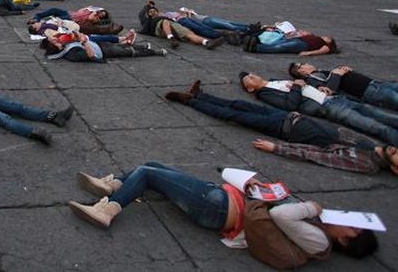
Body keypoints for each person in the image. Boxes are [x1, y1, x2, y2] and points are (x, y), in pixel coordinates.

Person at [68, 161, 379, 268]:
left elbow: (283, 218)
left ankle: (109, 209)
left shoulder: (319, 242)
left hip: (219, 208)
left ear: (350, 237)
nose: (342, 219)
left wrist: (314, 208)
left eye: (349, 224)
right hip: (225, 202)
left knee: (149, 173)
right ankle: (115, 185)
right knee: (152, 164)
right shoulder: (318, 235)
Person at [166, 80, 376, 149]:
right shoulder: (368, 145)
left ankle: (191, 101)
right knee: (237, 104)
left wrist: (279, 149)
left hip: (284, 128)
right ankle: (200, 95)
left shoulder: (360, 156)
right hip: (291, 117)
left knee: (232, 115)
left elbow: (316, 155)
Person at [241, 73, 398, 147]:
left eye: (250, 74)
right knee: (375, 126)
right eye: (248, 79)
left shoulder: (275, 80)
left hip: (336, 98)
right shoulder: (265, 94)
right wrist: (296, 85)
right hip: (328, 107)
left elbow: (307, 84)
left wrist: (319, 86)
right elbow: (290, 105)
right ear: (250, 89)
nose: (252, 75)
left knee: (383, 116)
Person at [253, 139, 398, 176]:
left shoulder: (368, 164)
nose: (396, 150)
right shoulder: (373, 149)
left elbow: (320, 155)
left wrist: (276, 148)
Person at [290, 62, 398, 112]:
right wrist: (336, 74)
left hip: (374, 84)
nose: (307, 63)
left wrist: (344, 70)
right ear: (301, 70)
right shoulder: (311, 79)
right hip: (368, 91)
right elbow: (328, 90)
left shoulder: (320, 72)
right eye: (303, 64)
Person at [136, 0, 224, 49]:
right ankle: (172, 39)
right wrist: (146, 6)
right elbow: (141, 15)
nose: (153, 12)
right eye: (150, 12)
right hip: (158, 27)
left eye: (154, 10)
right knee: (165, 22)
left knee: (189, 34)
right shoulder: (149, 20)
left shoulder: (164, 16)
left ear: (158, 12)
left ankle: (207, 42)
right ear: (148, 15)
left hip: (173, 24)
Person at [244, 29, 338, 55]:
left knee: (281, 47)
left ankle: (256, 48)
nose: (325, 37)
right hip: (299, 40)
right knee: (277, 44)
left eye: (328, 38)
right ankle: (256, 44)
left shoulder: (325, 46)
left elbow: (322, 50)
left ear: (330, 43)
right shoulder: (316, 37)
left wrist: (308, 53)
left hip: (303, 45)